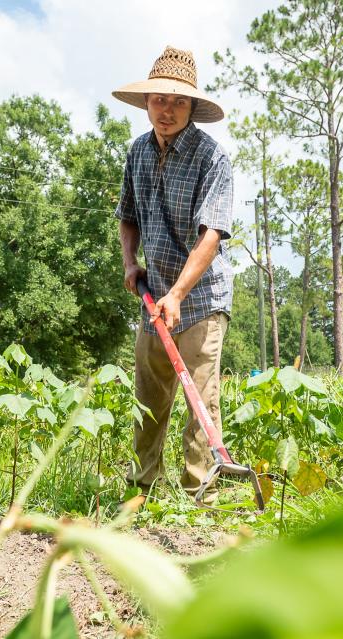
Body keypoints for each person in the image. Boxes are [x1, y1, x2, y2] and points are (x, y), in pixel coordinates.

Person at [112, 46, 233, 505]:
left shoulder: (212, 158)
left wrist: (180, 294)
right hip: (153, 296)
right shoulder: (138, 152)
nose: (167, 109)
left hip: (200, 299)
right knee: (150, 398)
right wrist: (130, 263)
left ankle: (198, 496)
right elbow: (127, 215)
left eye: (178, 101)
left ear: (191, 107)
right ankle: (141, 489)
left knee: (199, 400)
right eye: (159, 99)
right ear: (147, 103)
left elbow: (212, 235)